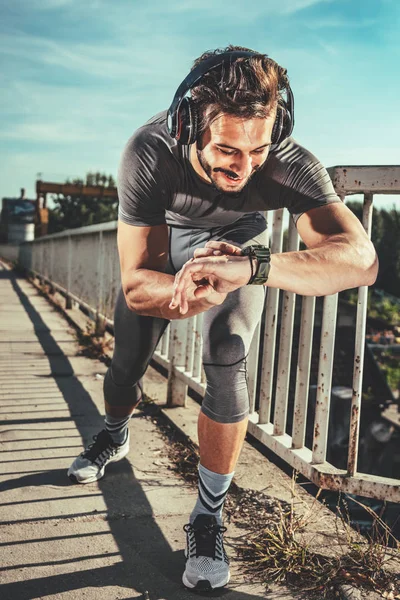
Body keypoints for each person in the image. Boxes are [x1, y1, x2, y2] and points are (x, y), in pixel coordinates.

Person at [68, 45, 378, 590]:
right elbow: (137, 282)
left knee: (229, 353)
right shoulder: (150, 149)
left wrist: (254, 267)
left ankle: (207, 516)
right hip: (166, 246)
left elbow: (361, 259)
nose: (245, 166)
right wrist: (184, 287)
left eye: (258, 149)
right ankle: (114, 432)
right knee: (126, 366)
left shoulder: (283, 157)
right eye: (227, 150)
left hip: (240, 247)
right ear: (189, 125)